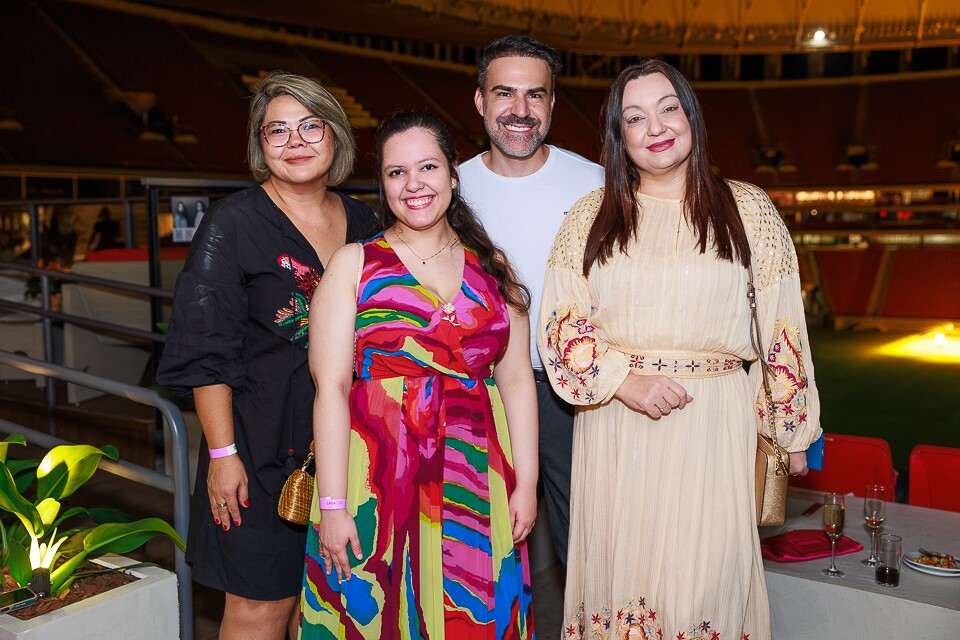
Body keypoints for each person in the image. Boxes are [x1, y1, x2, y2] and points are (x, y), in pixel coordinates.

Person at [537, 60, 822, 639]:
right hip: (617, 427)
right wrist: (625, 381)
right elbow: (560, 323)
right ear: (619, 136)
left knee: (706, 584)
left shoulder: (748, 210)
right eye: (634, 118)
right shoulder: (590, 217)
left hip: (715, 428)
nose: (656, 127)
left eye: (669, 108)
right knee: (622, 576)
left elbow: (782, 328)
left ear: (691, 114)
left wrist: (790, 431)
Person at [300, 111, 537, 639]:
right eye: (396, 172)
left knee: (473, 616)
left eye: (427, 167)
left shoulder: (492, 265)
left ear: (454, 175)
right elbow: (332, 390)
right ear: (382, 185)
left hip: (479, 478)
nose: (414, 185)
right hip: (379, 479)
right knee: (378, 618)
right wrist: (333, 505)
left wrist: (527, 483)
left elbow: (517, 378)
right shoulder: (355, 264)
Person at [157, 71, 375, 640]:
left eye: (310, 126)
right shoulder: (231, 224)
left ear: (336, 138)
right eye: (276, 131)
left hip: (348, 444)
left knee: (331, 600)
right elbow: (206, 353)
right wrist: (224, 454)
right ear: (260, 146)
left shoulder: (366, 223)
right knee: (261, 606)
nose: (294, 141)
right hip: (256, 447)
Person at [458, 34, 603, 566]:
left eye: (534, 95)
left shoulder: (596, 184)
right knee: (480, 551)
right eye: (504, 94)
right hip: (480, 396)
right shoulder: (448, 189)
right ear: (480, 101)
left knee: (587, 553)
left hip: (577, 399)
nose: (520, 110)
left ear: (552, 103)